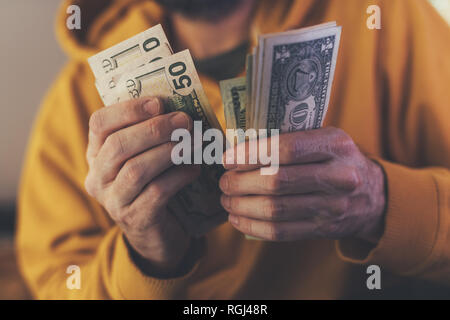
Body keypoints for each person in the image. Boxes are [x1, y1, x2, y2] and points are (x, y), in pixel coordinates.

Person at [17, 0, 450, 299]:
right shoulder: (76, 100)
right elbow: (57, 280)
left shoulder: (389, 21)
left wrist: (380, 200)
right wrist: (146, 258)